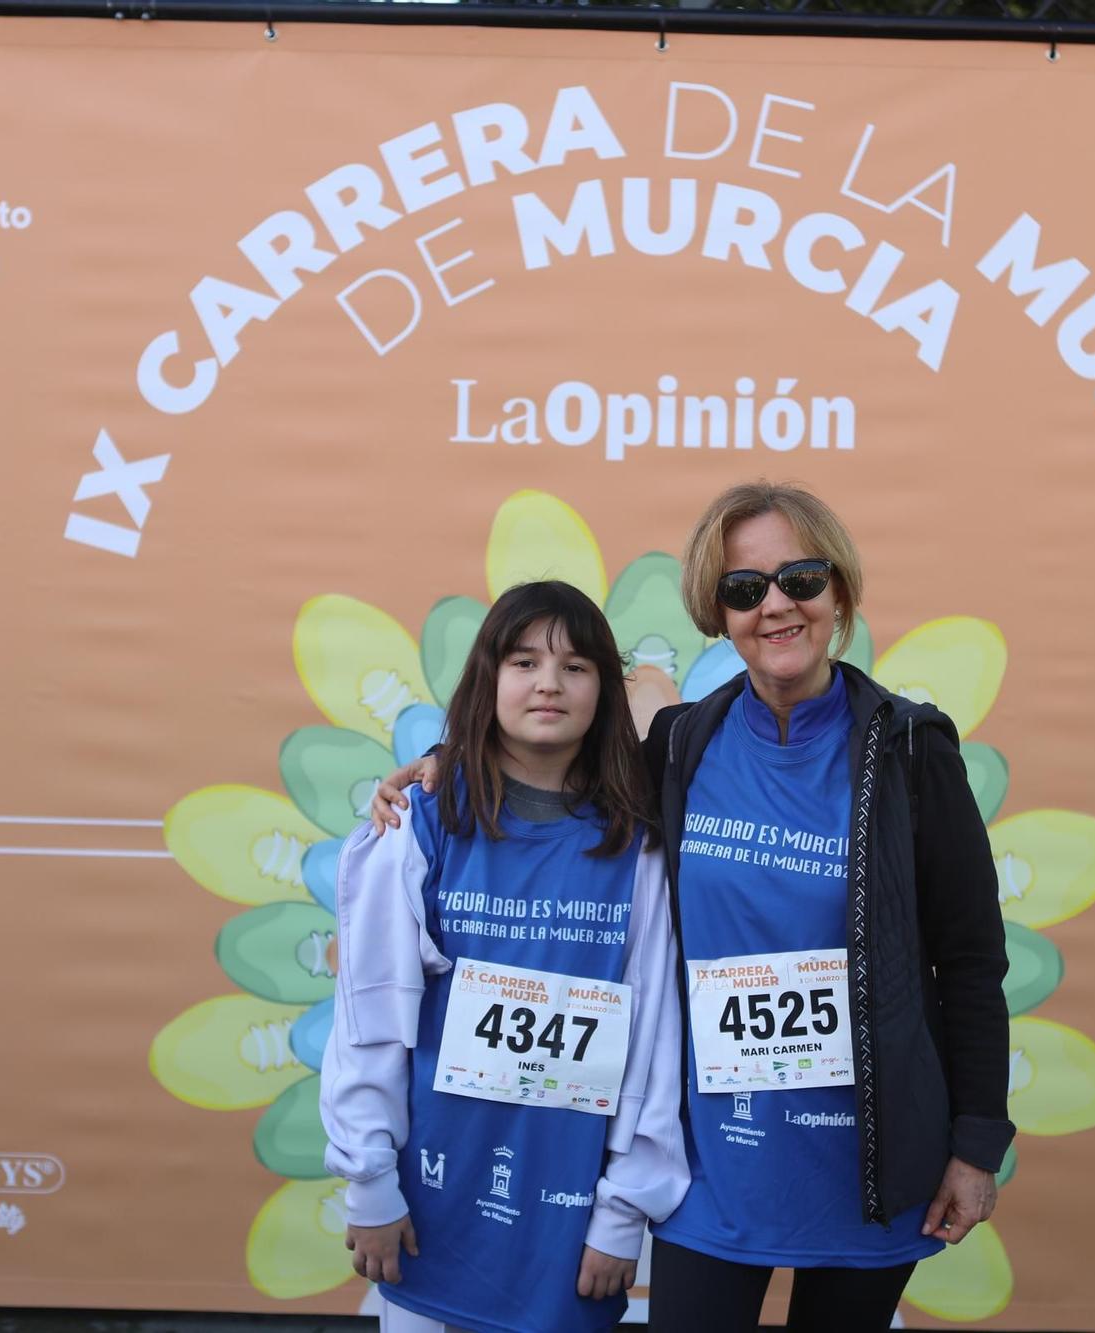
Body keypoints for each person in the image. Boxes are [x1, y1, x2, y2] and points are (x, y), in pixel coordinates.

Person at [375, 483, 1014, 1333]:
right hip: (714, 1164)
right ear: (718, 614)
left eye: (800, 577)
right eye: (745, 589)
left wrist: (976, 1142)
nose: (776, 604)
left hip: (869, 1157)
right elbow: (560, 768)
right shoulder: (678, 745)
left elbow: (970, 962)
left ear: (841, 590)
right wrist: (446, 755)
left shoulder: (909, 752)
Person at [321, 580, 688, 1333]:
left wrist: (621, 1212)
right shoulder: (418, 823)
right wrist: (369, 1180)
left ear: (603, 692)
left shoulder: (636, 845)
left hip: (569, 1210)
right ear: (488, 680)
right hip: (425, 1200)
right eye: (523, 661)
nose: (549, 682)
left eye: (576, 665)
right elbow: (371, 1021)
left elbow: (651, 1037)